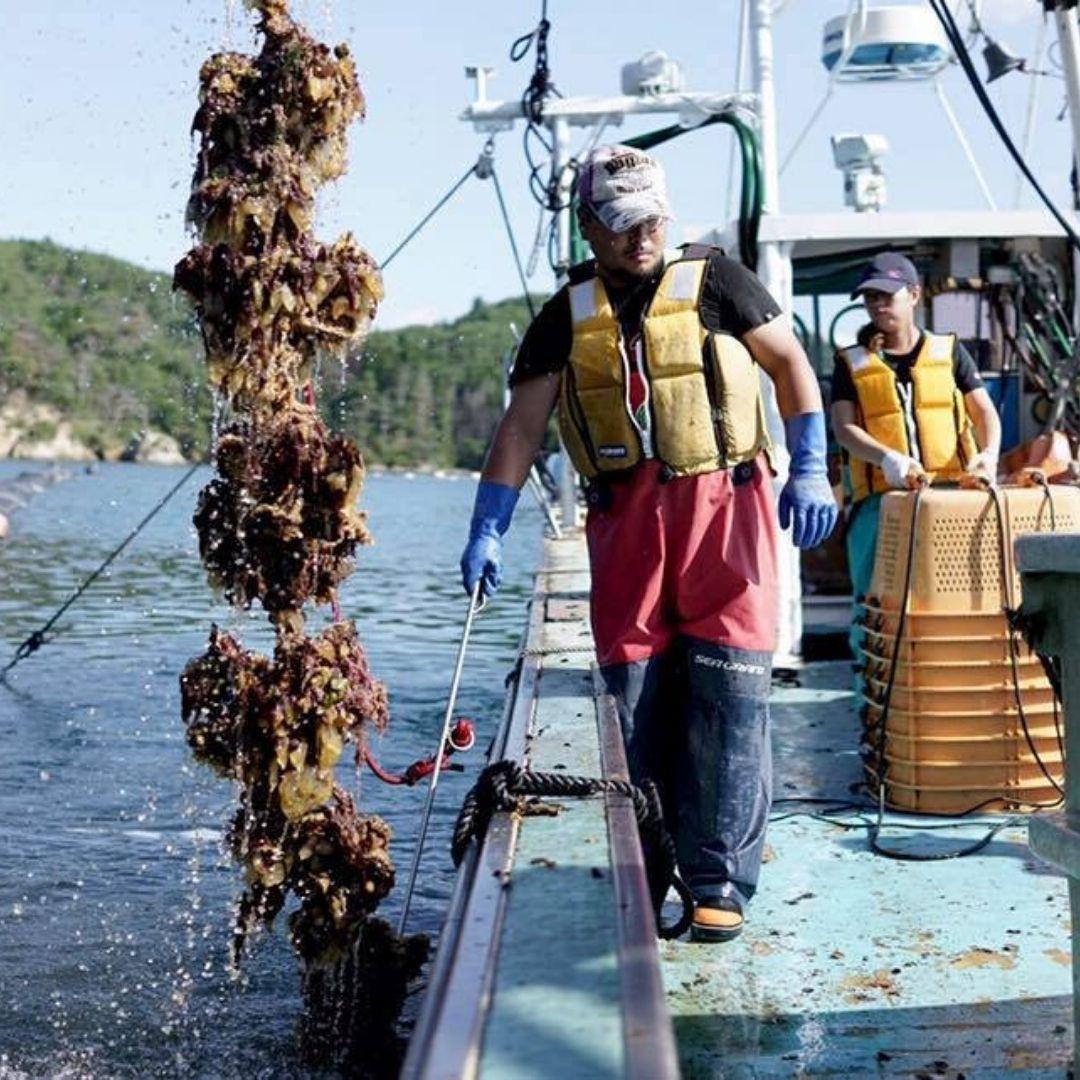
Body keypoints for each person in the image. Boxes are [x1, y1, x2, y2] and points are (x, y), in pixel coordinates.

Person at [459, 145, 837, 943]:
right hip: (624, 521)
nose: (643, 238)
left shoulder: (720, 283)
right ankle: (649, 865)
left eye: (655, 221)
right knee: (637, 705)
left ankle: (719, 881)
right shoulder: (567, 314)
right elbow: (522, 425)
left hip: (723, 510)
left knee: (729, 696)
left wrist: (810, 468)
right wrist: (488, 525)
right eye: (626, 224)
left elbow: (791, 367)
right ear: (590, 226)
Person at [830, 251, 1002, 660]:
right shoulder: (851, 363)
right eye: (870, 297)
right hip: (879, 504)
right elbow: (844, 428)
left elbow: (984, 413)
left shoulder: (950, 352)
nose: (878, 304)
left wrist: (989, 455)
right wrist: (889, 459)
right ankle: (872, 713)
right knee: (873, 610)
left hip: (951, 500)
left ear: (914, 294)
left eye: (887, 295)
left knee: (956, 603)